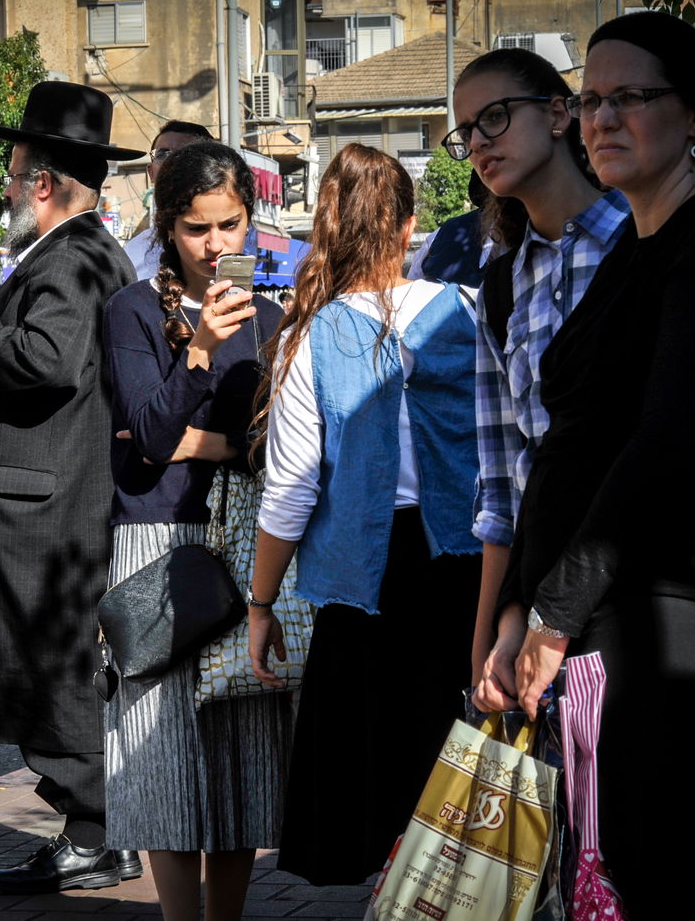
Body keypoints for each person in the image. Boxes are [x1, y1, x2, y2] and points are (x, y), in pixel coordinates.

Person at [474, 11, 695, 917]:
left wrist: (549, 610)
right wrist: (518, 613)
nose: (602, 119)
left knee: (676, 885)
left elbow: (667, 451)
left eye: (631, 98)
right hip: (604, 626)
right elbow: (564, 451)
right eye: (591, 99)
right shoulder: (638, 251)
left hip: (679, 631)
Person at [0, 82, 146, 894]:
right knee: (47, 668)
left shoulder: (71, 258)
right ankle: (92, 830)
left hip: (41, 509)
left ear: (42, 183)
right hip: (44, 498)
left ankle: (97, 833)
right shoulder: (83, 254)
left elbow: (46, 359)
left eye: (13, 175)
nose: (5, 190)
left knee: (51, 670)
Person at [247, 143, 483, 886]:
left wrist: (260, 604)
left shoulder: (310, 336)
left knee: (377, 780)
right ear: (412, 226)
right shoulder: (468, 311)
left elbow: (289, 492)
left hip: (365, 581)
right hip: (467, 565)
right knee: (462, 770)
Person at [102, 140, 291, 921]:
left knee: (243, 759)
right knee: (165, 763)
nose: (217, 246)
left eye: (231, 225)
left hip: (246, 549)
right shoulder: (133, 310)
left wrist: (207, 442)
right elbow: (148, 434)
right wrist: (203, 352)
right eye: (196, 228)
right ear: (168, 226)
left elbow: (278, 445)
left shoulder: (274, 317)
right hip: (159, 545)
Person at [441, 47, 631, 680]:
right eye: (465, 131)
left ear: (558, 115)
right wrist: (488, 634)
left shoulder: (645, 238)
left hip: (649, 582)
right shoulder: (502, 283)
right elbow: (501, 483)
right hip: (541, 580)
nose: (477, 141)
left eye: (494, 117)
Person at [125, 121, 216, 280]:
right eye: (162, 154)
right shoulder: (133, 250)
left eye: (184, 153)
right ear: (151, 172)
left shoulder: (221, 241)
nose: (172, 162)